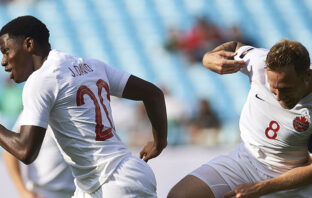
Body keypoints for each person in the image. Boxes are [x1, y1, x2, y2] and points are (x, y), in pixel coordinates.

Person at [0, 15, 167, 197]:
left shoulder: (40, 80)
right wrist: (159, 142)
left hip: (111, 183)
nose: (3, 61)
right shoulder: (92, 66)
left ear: (29, 44)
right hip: (110, 180)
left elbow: (25, 151)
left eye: (6, 51)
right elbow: (153, 94)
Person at [168, 39, 312, 198]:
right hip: (244, 159)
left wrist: (261, 188)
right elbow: (235, 46)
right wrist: (208, 57)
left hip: (289, 180)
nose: (279, 97)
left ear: (307, 75)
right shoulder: (258, 61)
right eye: (273, 88)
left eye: (286, 89)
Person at [3, 116, 75, 198]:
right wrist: (23, 191)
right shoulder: (38, 110)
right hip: (43, 192)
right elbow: (9, 154)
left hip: (78, 191)